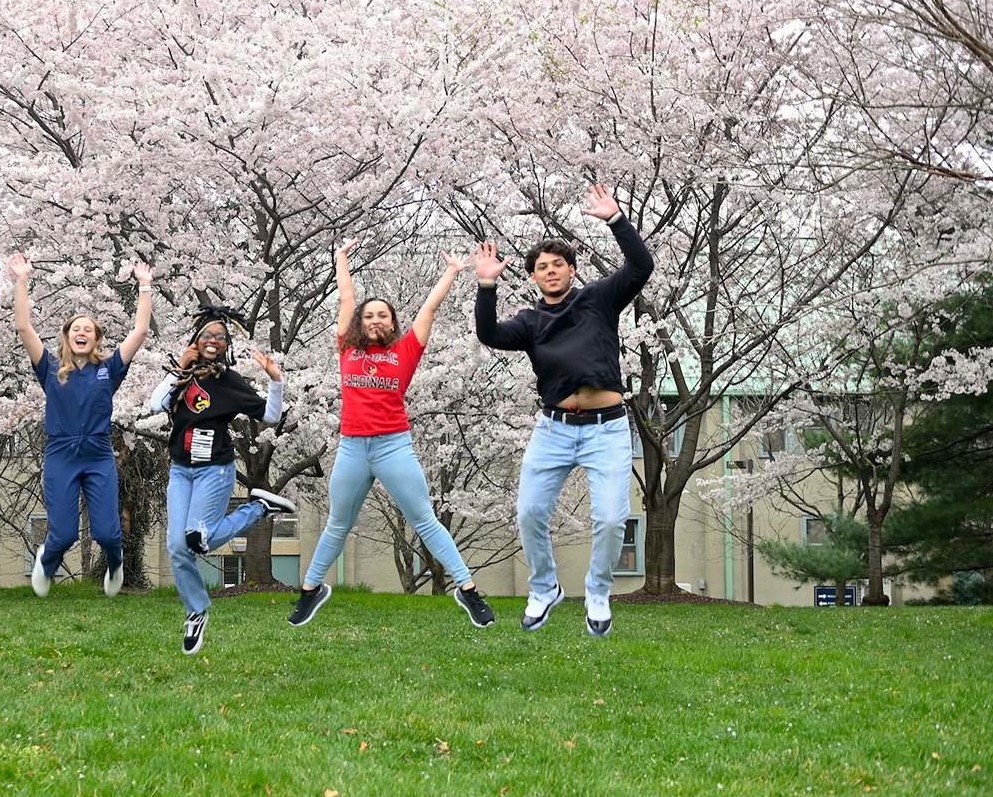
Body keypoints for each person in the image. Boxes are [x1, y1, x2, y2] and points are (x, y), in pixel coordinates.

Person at [473, 184, 653, 637]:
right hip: (553, 430)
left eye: (557, 265)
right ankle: (545, 586)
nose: (549, 272)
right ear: (533, 277)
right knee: (530, 512)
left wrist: (616, 220)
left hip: (607, 430)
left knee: (612, 518)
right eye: (541, 268)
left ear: (572, 270)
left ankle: (597, 590)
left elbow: (641, 266)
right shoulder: (530, 323)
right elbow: (489, 333)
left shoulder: (599, 299)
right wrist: (487, 284)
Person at [288, 239, 497, 629]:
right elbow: (346, 296)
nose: (374, 320)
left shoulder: (406, 350)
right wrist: (341, 259)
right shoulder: (346, 348)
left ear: (392, 322)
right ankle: (310, 591)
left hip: (393, 447)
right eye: (368, 316)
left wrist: (451, 272)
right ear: (359, 323)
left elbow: (429, 308)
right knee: (337, 524)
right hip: (352, 449)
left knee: (425, 521)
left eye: (382, 315)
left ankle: (469, 592)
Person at [147, 305, 298, 655]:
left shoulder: (229, 381)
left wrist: (276, 380)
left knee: (197, 539)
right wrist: (181, 367)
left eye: (220, 337)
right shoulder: (181, 376)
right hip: (181, 470)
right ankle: (196, 611)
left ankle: (257, 508)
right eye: (207, 336)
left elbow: (271, 415)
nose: (213, 342)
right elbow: (156, 405)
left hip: (214, 469)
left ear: (226, 343)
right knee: (177, 546)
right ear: (196, 339)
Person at [9, 252, 154, 598]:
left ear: (96, 339)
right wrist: (22, 280)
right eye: (76, 329)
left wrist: (145, 287)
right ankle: (46, 565)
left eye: (88, 330)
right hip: (61, 452)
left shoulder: (110, 368)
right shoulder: (48, 367)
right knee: (63, 535)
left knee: (107, 532)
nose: (82, 332)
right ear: (67, 336)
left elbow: (140, 330)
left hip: (99, 452)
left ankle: (116, 562)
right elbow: (23, 327)